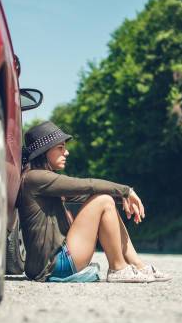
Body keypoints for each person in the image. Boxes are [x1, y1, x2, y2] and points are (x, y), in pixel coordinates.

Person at [17, 121, 171, 283]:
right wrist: (127, 191)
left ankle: (139, 266)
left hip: (52, 263)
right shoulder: (36, 177)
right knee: (103, 200)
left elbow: (87, 193)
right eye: (60, 148)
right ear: (44, 152)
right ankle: (118, 268)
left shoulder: (39, 180)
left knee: (104, 198)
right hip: (54, 265)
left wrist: (121, 198)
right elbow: (87, 185)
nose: (67, 152)